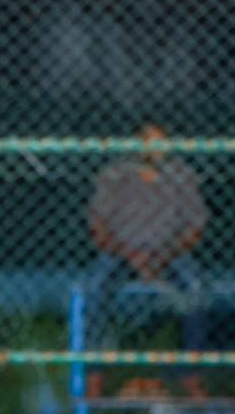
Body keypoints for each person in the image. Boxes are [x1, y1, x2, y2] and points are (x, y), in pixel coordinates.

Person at [84, 121, 208, 398]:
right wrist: (130, 253)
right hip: (122, 251)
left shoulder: (181, 174)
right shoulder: (115, 174)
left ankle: (191, 373)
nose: (155, 148)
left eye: (160, 141)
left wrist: (164, 255)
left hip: (169, 252)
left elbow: (194, 229)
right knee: (94, 289)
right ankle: (94, 375)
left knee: (196, 288)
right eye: (148, 141)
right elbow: (97, 227)